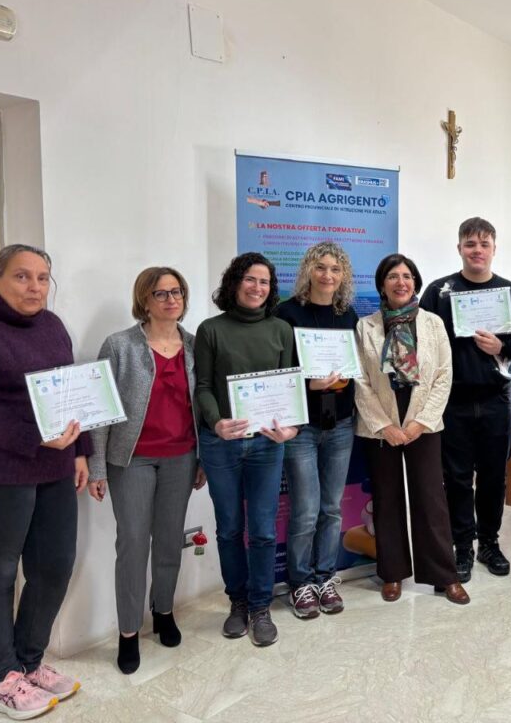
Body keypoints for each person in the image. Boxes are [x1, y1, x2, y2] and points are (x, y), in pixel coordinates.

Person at [88, 267, 206, 675]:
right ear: (144, 299)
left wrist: (202, 459)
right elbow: (100, 408)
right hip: (131, 459)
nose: (171, 300)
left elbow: (202, 406)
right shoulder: (119, 345)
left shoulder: (194, 346)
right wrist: (97, 466)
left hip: (181, 457)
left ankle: (164, 611)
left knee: (170, 540)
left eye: (177, 292)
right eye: (161, 293)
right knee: (133, 543)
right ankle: (128, 632)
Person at [0, 244, 88, 719]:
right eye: (22, 276)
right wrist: (34, 436)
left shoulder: (52, 325)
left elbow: (73, 390)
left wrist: (81, 449)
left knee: (54, 566)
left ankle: (28, 662)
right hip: (4, 470)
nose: (35, 287)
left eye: (43, 277)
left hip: (55, 467)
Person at [195, 252, 298, 648]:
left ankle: (260, 607)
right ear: (235, 282)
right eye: (250, 279)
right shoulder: (211, 329)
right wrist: (215, 422)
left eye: (265, 282)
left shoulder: (281, 330)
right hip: (221, 444)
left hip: (266, 445)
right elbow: (203, 387)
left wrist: (290, 427)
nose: (257, 288)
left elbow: (289, 387)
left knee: (263, 530)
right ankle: (237, 602)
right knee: (229, 529)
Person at [419, 218, 511, 582]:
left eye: (484, 244)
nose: (477, 250)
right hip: (454, 402)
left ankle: (489, 543)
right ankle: (463, 546)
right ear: (459, 249)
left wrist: (502, 346)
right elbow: (422, 343)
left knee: (495, 476)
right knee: (456, 478)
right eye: (470, 244)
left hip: (497, 400)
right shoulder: (439, 292)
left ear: (494, 249)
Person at [355, 254, 469, 605]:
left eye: (407, 276)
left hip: (424, 421)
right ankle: (392, 573)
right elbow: (360, 380)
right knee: (387, 498)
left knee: (431, 498)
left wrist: (422, 422)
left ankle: (444, 576)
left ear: (415, 283)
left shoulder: (433, 323)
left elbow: (444, 376)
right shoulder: (365, 327)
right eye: (393, 276)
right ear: (382, 285)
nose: (400, 282)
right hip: (381, 424)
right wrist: (384, 425)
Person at [275, 242, 359, 620]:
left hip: (340, 423)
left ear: (343, 276)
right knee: (306, 510)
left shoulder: (347, 315)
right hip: (302, 426)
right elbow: (277, 370)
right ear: (308, 270)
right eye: (321, 267)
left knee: (331, 508)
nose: (328, 275)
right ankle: (300, 582)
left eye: (335, 269)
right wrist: (308, 384)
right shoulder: (286, 314)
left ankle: (325, 577)